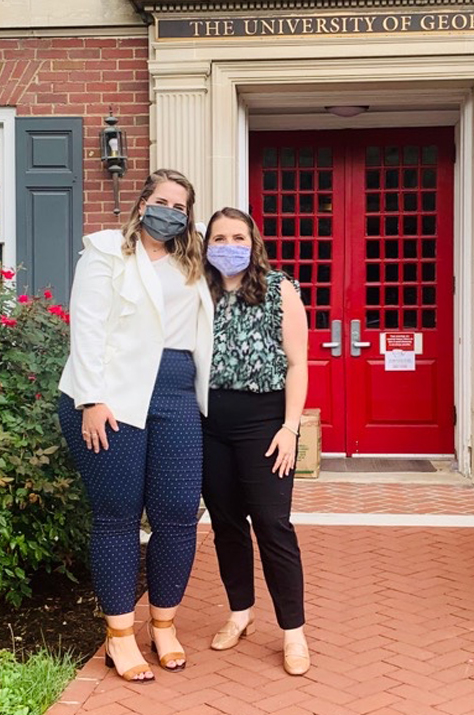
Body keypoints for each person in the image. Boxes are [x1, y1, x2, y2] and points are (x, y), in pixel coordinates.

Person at [58, 169, 213, 683]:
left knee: (176, 514)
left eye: (181, 206)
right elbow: (88, 326)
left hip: (176, 393)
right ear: (143, 202)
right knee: (118, 515)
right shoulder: (106, 252)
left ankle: (163, 625)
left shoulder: (193, 264)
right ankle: (120, 637)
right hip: (111, 396)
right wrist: (92, 399)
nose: (171, 211)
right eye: (162, 200)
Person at [201, 207, 311, 676]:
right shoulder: (197, 291)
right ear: (206, 243)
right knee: (225, 524)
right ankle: (240, 612)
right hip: (207, 422)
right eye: (219, 236)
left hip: (263, 421)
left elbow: (298, 364)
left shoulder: (278, 288)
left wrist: (290, 428)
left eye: (238, 236)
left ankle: (293, 631)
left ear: (253, 242)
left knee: (272, 524)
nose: (229, 244)